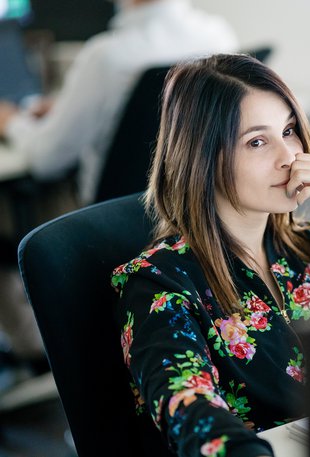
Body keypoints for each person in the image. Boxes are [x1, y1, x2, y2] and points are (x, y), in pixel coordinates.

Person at [111, 53, 310, 456]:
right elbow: (188, 411)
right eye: (257, 141)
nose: (289, 157)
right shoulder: (159, 284)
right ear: (204, 157)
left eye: (290, 130)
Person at [0, 0, 238, 407]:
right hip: (197, 216)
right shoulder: (216, 35)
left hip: (110, 223)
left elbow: (45, 158)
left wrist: (10, 121)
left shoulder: (106, 55)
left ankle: (34, 350)